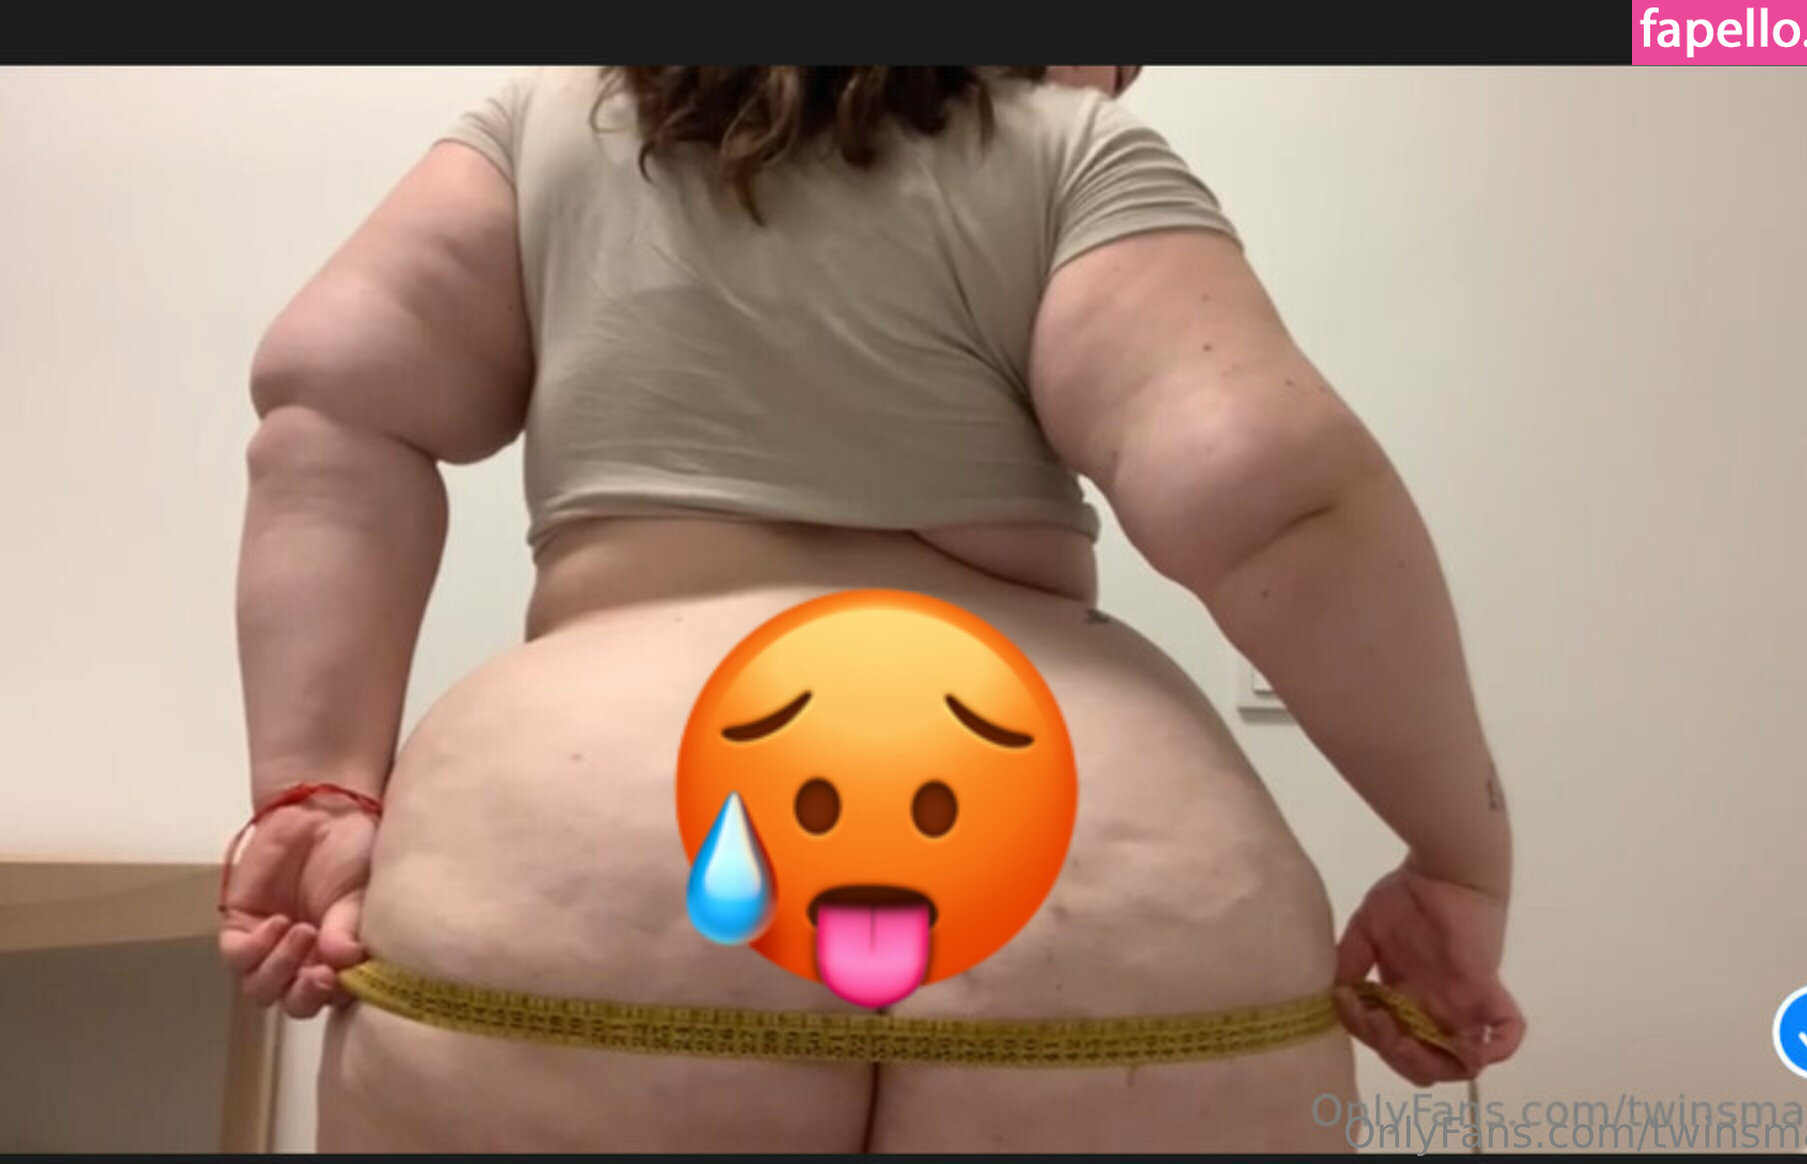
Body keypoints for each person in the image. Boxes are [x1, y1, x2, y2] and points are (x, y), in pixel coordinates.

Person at [221, 64, 1523, 1152]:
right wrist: (1454, 856)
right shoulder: (1071, 151)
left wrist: (316, 790)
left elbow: (331, 397)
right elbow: (1266, 486)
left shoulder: (548, 126)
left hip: (589, 869)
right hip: (1096, 888)